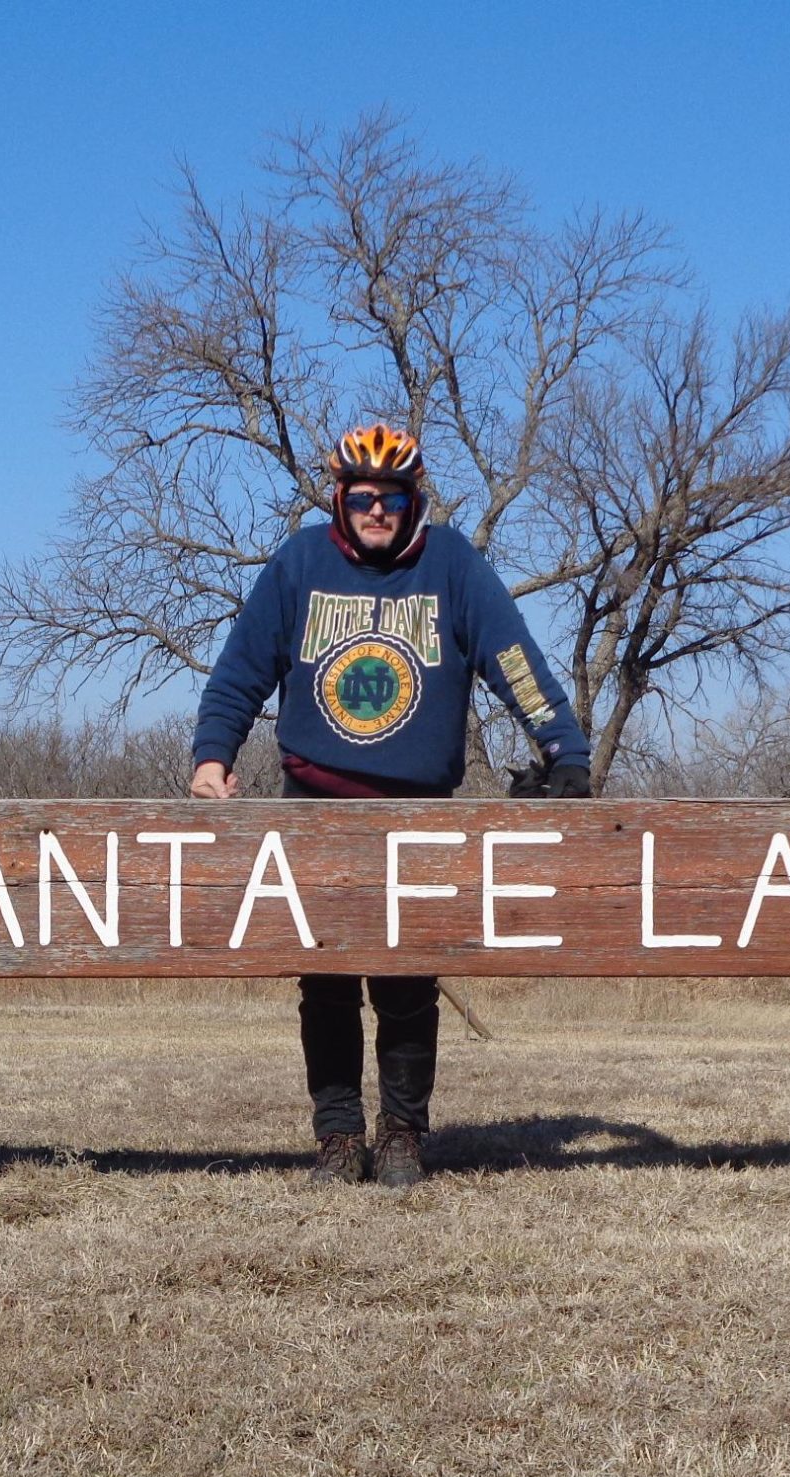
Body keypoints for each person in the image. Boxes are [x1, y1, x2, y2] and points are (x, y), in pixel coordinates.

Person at [190, 423, 593, 1188]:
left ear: (415, 502)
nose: (378, 510)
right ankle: (337, 1139)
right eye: (364, 496)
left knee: (408, 982)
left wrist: (562, 751)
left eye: (394, 497)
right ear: (340, 499)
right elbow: (242, 667)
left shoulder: (452, 564)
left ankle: (404, 1134)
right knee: (328, 982)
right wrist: (213, 755)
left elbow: (514, 658)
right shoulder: (300, 562)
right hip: (314, 802)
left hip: (418, 810)